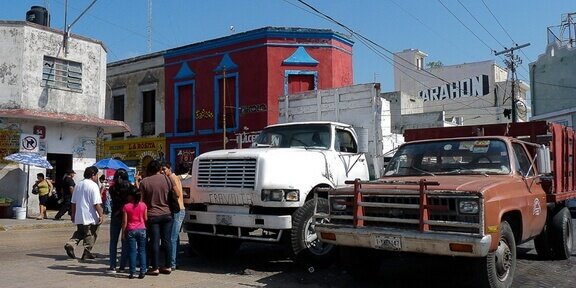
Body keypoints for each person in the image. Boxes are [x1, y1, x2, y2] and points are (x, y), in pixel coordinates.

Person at [139, 160, 173, 275]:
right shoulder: (167, 179)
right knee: (167, 240)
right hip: (167, 213)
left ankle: (155, 267)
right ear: (159, 169)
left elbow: (141, 201)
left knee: (154, 241)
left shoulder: (144, 182)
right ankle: (168, 266)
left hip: (152, 215)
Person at [64, 166, 104, 260]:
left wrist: (73, 214)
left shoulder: (78, 184)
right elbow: (96, 204)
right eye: (97, 174)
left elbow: (73, 202)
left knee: (80, 232)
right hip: (90, 216)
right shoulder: (93, 185)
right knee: (91, 234)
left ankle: (71, 244)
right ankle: (87, 252)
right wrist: (101, 215)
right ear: (93, 175)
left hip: (80, 215)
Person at [106, 169, 131, 274]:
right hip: (127, 216)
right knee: (125, 241)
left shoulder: (112, 188)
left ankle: (112, 266)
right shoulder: (130, 188)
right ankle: (122, 265)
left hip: (115, 215)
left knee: (113, 242)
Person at [161, 162, 184, 270]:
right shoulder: (172, 178)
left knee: (172, 238)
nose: (163, 171)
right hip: (178, 210)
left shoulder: (172, 178)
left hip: (177, 210)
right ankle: (175, 260)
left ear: (170, 169)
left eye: (164, 169)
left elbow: (178, 193)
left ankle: (172, 263)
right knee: (175, 237)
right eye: (161, 170)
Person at [121, 187, 148, 279]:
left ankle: (132, 272)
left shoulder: (126, 206)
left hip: (131, 229)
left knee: (132, 251)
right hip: (142, 229)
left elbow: (124, 221)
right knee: (142, 250)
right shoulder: (143, 205)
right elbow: (146, 218)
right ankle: (142, 271)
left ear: (131, 196)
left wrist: (123, 233)